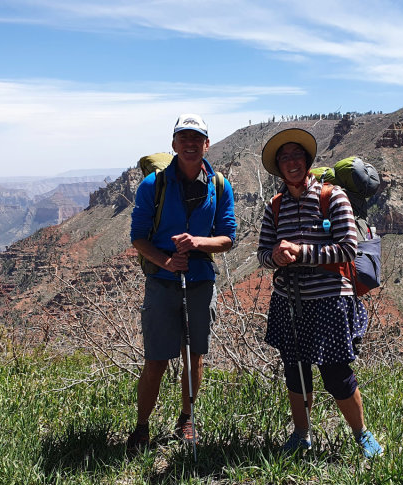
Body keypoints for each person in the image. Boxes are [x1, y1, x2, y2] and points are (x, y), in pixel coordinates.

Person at [257, 128, 383, 458]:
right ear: (278, 166)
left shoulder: (333, 198)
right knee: (295, 371)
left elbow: (346, 250)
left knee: (337, 373)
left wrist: (300, 253)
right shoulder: (275, 206)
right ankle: (301, 434)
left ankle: (362, 435)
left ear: (307, 161)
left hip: (330, 301)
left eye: (297, 155)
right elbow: (262, 253)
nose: (291, 162)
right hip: (289, 301)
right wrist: (276, 257)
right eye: (284, 158)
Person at [127, 114, 236, 451]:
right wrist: (168, 262)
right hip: (162, 282)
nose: (190, 144)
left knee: (194, 356)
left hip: (201, 281)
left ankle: (186, 419)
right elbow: (138, 238)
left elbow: (228, 238)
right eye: (183, 138)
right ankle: (142, 426)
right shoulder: (153, 185)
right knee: (156, 360)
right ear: (174, 144)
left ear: (206, 144)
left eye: (197, 138)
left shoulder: (220, 185)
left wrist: (198, 243)